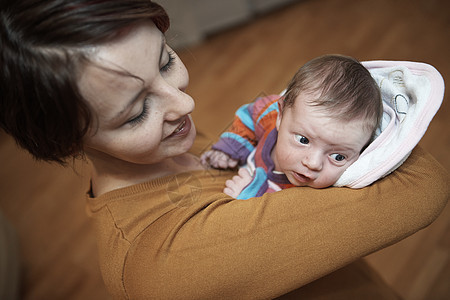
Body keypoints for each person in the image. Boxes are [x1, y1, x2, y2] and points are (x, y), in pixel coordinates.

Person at [0, 1, 448, 299]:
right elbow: (422, 186)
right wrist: (349, 116)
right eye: (137, 112)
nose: (185, 103)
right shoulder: (162, 261)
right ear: (65, 141)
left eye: (165, 60)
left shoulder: (165, 150)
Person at [201, 55, 383, 199]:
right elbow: (249, 115)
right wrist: (234, 147)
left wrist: (250, 196)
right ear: (280, 115)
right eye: (303, 140)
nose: (313, 163)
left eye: (338, 156)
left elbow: (281, 225)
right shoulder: (271, 114)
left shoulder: (315, 197)